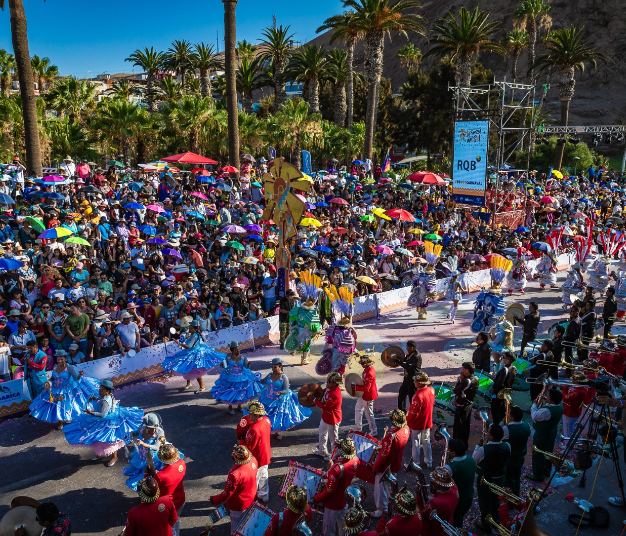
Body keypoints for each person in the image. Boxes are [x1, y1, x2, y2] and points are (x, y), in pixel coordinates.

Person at [63, 379, 143, 467]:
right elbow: (101, 401)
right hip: (108, 417)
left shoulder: (105, 401)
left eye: (102, 390)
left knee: (111, 440)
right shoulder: (107, 396)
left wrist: (91, 413)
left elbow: (103, 415)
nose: (99, 391)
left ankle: (114, 456)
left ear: (107, 391)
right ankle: (100, 453)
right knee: (99, 439)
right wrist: (95, 399)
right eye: (99, 389)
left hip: (106, 421)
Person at [29, 348, 100, 428]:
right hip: (56, 389)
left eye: (61, 359)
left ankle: (70, 419)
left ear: (65, 359)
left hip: (68, 390)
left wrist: (80, 375)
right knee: (56, 407)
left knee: (69, 406)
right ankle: (59, 422)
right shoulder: (55, 367)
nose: (59, 361)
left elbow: (76, 378)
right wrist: (48, 381)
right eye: (58, 359)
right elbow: (53, 377)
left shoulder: (69, 368)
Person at [161, 320, 226, 393]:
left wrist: (179, 343)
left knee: (195, 371)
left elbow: (188, 346)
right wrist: (183, 335)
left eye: (191, 328)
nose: (189, 328)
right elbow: (188, 336)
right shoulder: (194, 334)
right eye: (190, 327)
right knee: (187, 368)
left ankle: (202, 386)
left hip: (194, 354)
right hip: (191, 352)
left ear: (195, 329)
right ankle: (188, 383)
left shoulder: (194, 336)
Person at [313, 437, 359, 536]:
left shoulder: (336, 469)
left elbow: (330, 490)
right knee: (343, 527)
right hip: (344, 500)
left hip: (332, 504)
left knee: (328, 531)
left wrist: (317, 498)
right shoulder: (356, 460)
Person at [257, 358, 311, 440]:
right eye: (272, 367)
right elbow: (263, 381)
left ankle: (276, 432)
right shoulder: (270, 375)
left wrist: (280, 392)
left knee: (276, 417)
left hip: (279, 400)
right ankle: (265, 429)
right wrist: (256, 379)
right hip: (267, 397)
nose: (273, 369)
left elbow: (286, 390)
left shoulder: (284, 377)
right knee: (265, 414)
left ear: (280, 367)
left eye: (275, 367)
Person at [370, 409, 410, 518]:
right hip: (396, 463)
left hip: (385, 467)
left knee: (380, 489)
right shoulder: (406, 429)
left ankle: (381, 510)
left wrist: (375, 467)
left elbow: (383, 456)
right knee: (391, 488)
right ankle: (394, 506)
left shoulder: (391, 436)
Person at [210, 445, 258, 533]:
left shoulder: (235, 474)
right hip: (252, 498)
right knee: (248, 520)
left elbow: (227, 493)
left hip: (239, 504)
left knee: (236, 526)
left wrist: (215, 499)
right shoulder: (253, 460)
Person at [474, 423, 511, 532]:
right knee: (496, 501)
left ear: (491, 437)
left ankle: (487, 525)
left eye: (488, 432)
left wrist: (478, 446)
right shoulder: (507, 446)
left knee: (485, 503)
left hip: (486, 480)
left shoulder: (484, 449)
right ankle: (496, 520)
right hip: (500, 478)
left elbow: (475, 459)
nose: (486, 434)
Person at [210, 341, 261, 415]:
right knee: (230, 391)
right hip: (230, 376)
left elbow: (246, 366)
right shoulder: (228, 357)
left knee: (240, 391)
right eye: (236, 350)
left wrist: (248, 365)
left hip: (241, 376)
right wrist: (222, 364)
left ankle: (239, 406)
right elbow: (224, 365)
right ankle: (230, 407)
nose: (238, 351)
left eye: (238, 349)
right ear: (232, 350)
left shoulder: (243, 357)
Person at [147, 443, 186, 536]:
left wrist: (150, 474)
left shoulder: (160, 476)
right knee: (176, 519)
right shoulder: (182, 463)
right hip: (180, 499)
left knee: (170, 526)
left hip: (168, 504)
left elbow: (153, 487)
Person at [122, 412, 166, 491]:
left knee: (152, 478)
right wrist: (131, 434)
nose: (154, 430)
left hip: (152, 459)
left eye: (156, 427)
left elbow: (157, 447)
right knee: (142, 478)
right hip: (141, 455)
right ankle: (145, 492)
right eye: (151, 428)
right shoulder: (142, 427)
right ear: (146, 426)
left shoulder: (160, 432)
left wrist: (144, 444)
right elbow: (136, 432)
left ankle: (152, 493)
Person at [528, 388, 563, 482]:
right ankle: (547, 470)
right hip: (551, 432)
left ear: (551, 400)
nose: (546, 397)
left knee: (538, 454)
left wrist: (534, 404)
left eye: (548, 396)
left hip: (542, 434)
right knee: (548, 452)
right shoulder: (560, 406)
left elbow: (535, 416)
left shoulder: (546, 411)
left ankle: (538, 475)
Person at [243, 401, 272, 504]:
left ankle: (252, 500)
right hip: (266, 455)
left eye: (250, 413)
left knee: (254, 481)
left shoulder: (253, 429)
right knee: (264, 476)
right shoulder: (267, 420)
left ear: (255, 415)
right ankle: (264, 496)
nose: (248, 415)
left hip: (257, 458)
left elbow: (249, 447)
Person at [418, 466, 460, 536]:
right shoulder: (454, 487)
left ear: (438, 485)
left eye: (433, 481)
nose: (431, 482)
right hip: (448, 519)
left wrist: (418, 495)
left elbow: (422, 515)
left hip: (434, 529)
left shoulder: (435, 502)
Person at [445, 438, 477, 528]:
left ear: (454, 453)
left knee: (456, 523)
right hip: (469, 497)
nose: (448, 452)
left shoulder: (449, 467)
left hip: (457, 501)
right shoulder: (471, 459)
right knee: (459, 518)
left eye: (449, 450)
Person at [407, 371, 435, 468]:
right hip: (427, 421)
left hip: (417, 423)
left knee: (416, 443)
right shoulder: (431, 390)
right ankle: (429, 461)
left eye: (416, 381)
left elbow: (413, 413)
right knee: (426, 441)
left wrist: (407, 421)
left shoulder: (417, 396)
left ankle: (416, 463)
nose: (414, 382)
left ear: (420, 383)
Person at [312, 371, 343, 460]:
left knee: (333, 439)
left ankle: (335, 455)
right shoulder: (330, 388)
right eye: (329, 381)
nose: (328, 383)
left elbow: (325, 406)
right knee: (322, 433)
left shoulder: (335, 395)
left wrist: (314, 400)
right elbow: (324, 392)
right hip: (326, 417)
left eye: (331, 382)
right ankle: (322, 450)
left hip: (332, 419)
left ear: (335, 384)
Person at [502, 405, 531, 497]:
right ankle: (516, 495)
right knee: (517, 476)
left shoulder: (506, 429)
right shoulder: (527, 426)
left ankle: (510, 498)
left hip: (510, 457)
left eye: (509, 414)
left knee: (509, 478)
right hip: (521, 456)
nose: (507, 414)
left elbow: (499, 437)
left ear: (512, 417)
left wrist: (502, 423)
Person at [453, 362, 479, 450]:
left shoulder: (466, 381)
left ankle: (458, 447)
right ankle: (464, 445)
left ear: (467, 370)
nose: (462, 370)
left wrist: (460, 380)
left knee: (459, 428)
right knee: (465, 426)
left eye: (463, 369)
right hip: (469, 404)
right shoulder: (476, 378)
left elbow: (456, 390)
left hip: (462, 406)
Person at [352, 352, 378, 436]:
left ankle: (374, 431)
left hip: (367, 396)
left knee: (369, 415)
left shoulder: (369, 373)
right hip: (363, 395)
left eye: (362, 364)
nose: (361, 365)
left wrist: (356, 387)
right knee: (357, 409)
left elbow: (367, 388)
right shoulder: (369, 369)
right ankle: (358, 429)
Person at [491, 351, 516, 425]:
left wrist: (494, 378)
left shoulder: (504, 370)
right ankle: (503, 424)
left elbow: (498, 384)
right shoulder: (514, 368)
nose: (502, 359)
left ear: (508, 360)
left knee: (495, 411)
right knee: (502, 409)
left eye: (504, 358)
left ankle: (497, 427)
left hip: (499, 393)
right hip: (506, 393)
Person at [561, 370, 589, 439]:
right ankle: (567, 444)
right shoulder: (578, 387)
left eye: (573, 379)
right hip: (570, 410)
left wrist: (565, 387)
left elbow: (565, 397)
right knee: (569, 429)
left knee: (568, 431)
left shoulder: (578, 391)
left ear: (577, 381)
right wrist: (562, 387)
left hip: (570, 412)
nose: (572, 380)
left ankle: (568, 447)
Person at [396, 340, 421, 413]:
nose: (406, 348)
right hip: (407, 378)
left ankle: (413, 413)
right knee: (402, 393)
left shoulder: (416, 356)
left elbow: (407, 365)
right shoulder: (411, 354)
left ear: (412, 348)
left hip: (413, 379)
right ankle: (402, 412)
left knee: (412, 397)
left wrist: (398, 361)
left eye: (408, 347)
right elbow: (404, 359)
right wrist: (396, 358)